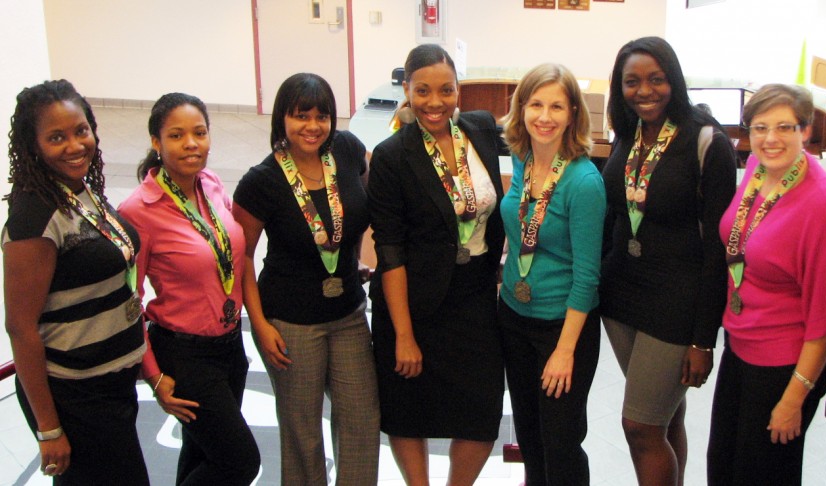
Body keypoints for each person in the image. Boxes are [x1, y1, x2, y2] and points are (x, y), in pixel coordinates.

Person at [367, 44, 506, 486]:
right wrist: (403, 336)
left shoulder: (480, 130)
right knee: (409, 410)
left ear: (458, 90)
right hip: (414, 301)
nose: (434, 102)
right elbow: (389, 251)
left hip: (476, 295)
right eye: (422, 90)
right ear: (406, 90)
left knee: (482, 413)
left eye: (446, 90)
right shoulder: (391, 156)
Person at [600, 36, 737, 486]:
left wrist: (703, 340)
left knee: (639, 427)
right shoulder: (628, 134)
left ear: (673, 80)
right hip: (621, 302)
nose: (644, 91)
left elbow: (719, 250)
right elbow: (616, 215)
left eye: (656, 79)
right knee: (666, 418)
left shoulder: (706, 142)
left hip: (675, 307)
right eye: (632, 82)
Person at [233, 72, 380, 485]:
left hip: (349, 312)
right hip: (291, 321)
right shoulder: (261, 181)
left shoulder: (348, 151)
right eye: (301, 116)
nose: (312, 126)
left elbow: (355, 212)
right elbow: (241, 258)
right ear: (282, 119)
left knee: (361, 421)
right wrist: (259, 326)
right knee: (303, 433)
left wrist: (350, 260)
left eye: (322, 116)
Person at [707, 84, 826, 485]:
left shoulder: (824, 204)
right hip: (742, 346)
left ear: (806, 131)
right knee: (722, 466)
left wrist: (794, 400)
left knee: (763, 474)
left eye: (784, 127)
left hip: (787, 362)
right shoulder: (759, 171)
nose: (771, 139)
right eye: (760, 128)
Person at [2, 79, 149, 484]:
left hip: (109, 384)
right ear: (34, 146)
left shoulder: (77, 189)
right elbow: (20, 327)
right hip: (75, 397)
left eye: (81, 131)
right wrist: (49, 430)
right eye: (56, 137)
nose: (75, 145)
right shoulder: (35, 216)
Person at [118, 93, 260, 485]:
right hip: (184, 355)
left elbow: (229, 253)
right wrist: (155, 378)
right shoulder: (138, 210)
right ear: (156, 142)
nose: (191, 144)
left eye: (199, 133)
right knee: (239, 461)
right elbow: (129, 302)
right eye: (177, 136)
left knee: (202, 452)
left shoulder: (210, 184)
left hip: (230, 346)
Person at [498, 63, 606, 486]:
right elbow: (521, 225)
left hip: (562, 328)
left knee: (560, 443)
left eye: (556, 106)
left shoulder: (584, 182)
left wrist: (565, 351)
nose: (545, 116)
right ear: (521, 108)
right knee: (529, 437)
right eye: (536, 104)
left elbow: (587, 276)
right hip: (514, 317)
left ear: (573, 113)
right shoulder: (522, 158)